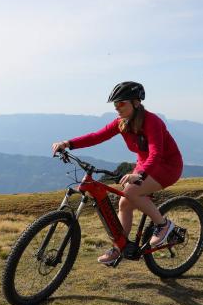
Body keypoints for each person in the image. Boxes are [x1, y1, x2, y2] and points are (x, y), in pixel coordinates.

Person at [51, 81, 184, 264]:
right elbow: (96, 136)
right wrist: (68, 143)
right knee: (124, 202)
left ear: (136, 103)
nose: (117, 107)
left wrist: (140, 175)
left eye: (121, 103)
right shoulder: (122, 123)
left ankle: (163, 225)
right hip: (145, 165)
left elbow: (156, 153)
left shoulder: (152, 121)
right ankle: (119, 247)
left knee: (130, 191)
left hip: (167, 166)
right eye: (115, 104)